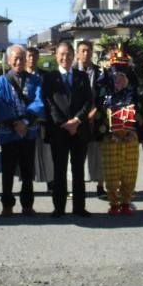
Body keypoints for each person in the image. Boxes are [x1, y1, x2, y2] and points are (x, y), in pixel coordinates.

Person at [93, 45, 143, 216]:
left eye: (122, 76)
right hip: (111, 139)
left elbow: (141, 114)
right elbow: (99, 114)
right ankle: (113, 202)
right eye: (116, 76)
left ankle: (126, 201)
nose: (119, 80)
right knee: (111, 172)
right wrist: (109, 133)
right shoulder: (104, 93)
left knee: (129, 171)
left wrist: (134, 132)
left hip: (130, 137)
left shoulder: (135, 93)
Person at [0, 45, 44, 216]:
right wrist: (16, 124)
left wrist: (25, 122)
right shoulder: (1, 81)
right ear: (8, 60)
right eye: (15, 58)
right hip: (9, 134)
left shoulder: (35, 80)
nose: (19, 61)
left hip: (28, 132)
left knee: (28, 172)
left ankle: (27, 205)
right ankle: (7, 205)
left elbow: (40, 102)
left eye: (22, 57)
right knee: (7, 172)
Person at [42, 41, 93, 218]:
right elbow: (49, 103)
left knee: (78, 169)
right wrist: (64, 123)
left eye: (68, 54)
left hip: (79, 129)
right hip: (59, 131)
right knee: (60, 170)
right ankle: (59, 207)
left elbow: (89, 101)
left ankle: (79, 207)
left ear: (74, 56)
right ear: (56, 56)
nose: (65, 57)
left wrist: (77, 120)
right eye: (61, 54)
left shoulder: (82, 76)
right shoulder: (49, 77)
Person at [75, 40, 105, 197]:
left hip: (97, 118)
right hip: (77, 119)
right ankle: (76, 187)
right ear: (77, 53)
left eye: (89, 50)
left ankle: (101, 186)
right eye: (83, 50)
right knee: (77, 155)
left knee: (99, 153)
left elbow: (105, 95)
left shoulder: (100, 72)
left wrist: (96, 110)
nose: (86, 53)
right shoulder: (72, 71)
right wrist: (80, 115)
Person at [26, 47, 54, 192]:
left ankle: (51, 183)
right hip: (26, 121)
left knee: (46, 154)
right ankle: (27, 185)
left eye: (35, 56)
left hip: (43, 122)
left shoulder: (46, 76)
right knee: (27, 156)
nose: (32, 59)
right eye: (29, 56)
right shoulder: (21, 76)